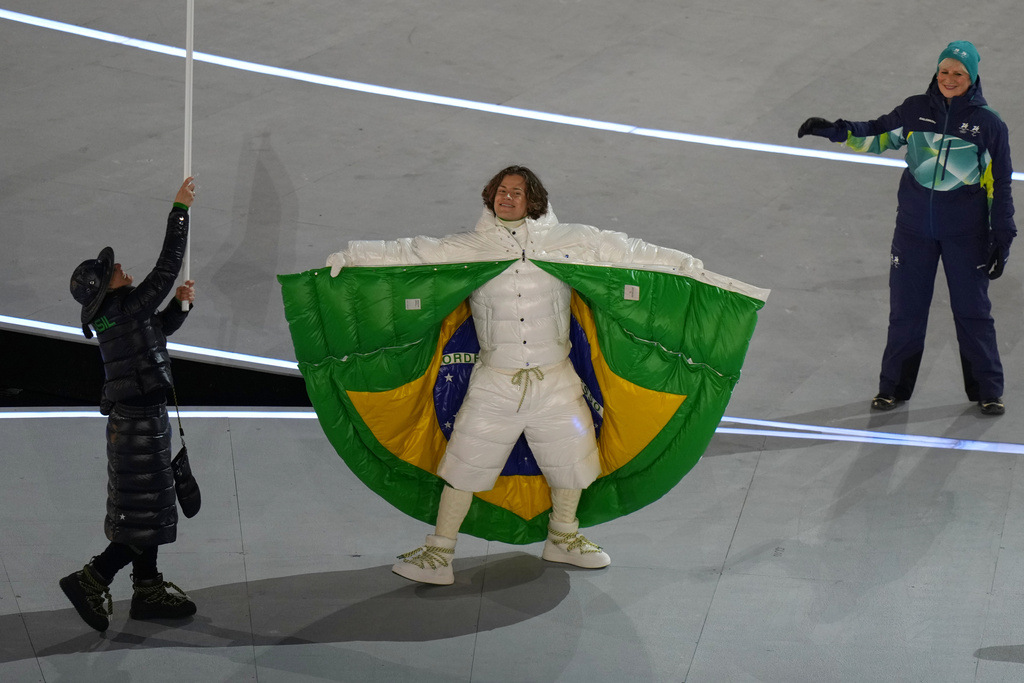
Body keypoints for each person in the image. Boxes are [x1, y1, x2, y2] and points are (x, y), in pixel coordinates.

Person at [326, 166, 707, 585]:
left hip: (556, 379)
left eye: (517, 193)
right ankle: (439, 551)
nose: (507, 198)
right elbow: (414, 252)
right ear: (490, 197)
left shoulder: (569, 241)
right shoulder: (473, 246)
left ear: (534, 200)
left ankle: (563, 537)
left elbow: (627, 250)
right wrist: (352, 255)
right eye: (501, 191)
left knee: (572, 463)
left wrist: (684, 264)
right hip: (495, 381)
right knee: (464, 466)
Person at [798, 40, 1015, 416]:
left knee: (973, 311)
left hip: (967, 234)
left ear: (973, 78)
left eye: (958, 73)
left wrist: (1002, 235)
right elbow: (878, 134)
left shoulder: (988, 124)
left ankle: (988, 390)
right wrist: (836, 130)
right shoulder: (915, 111)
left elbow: (1001, 183)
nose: (949, 79)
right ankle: (892, 388)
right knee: (906, 310)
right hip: (914, 230)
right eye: (944, 71)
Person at [60, 177, 199, 631]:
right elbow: (167, 266)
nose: (121, 267)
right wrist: (179, 211)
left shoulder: (119, 315)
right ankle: (93, 578)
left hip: (140, 420)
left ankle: (148, 589)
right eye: (115, 269)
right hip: (139, 424)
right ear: (107, 289)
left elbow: (154, 336)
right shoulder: (124, 308)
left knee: (149, 510)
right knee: (145, 514)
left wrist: (177, 310)